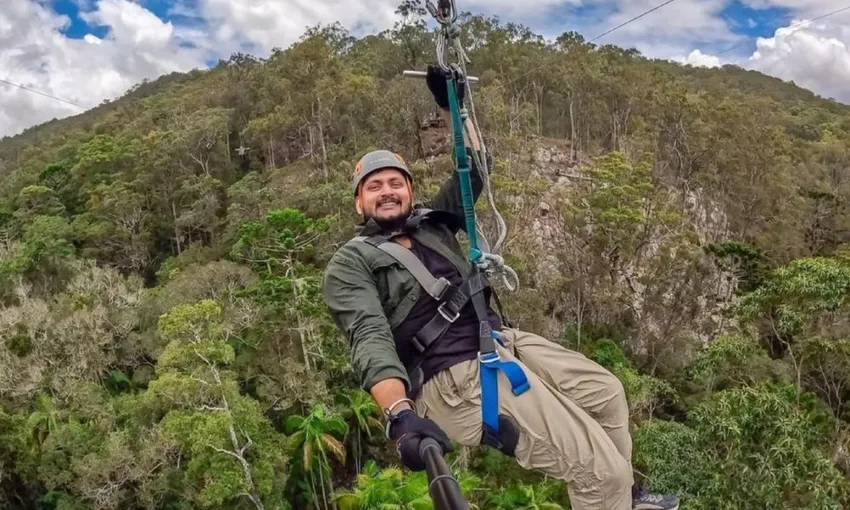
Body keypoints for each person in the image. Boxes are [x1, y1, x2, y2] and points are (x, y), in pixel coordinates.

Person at [321, 66, 679, 510]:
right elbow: (369, 337)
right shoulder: (351, 262)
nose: (387, 191)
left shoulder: (433, 223)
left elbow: (475, 168)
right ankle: (611, 492)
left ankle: (622, 499)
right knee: (602, 472)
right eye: (374, 187)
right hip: (451, 376)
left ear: (410, 191)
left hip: (497, 341)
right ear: (359, 202)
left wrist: (454, 109)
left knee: (607, 394)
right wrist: (400, 415)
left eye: (396, 183)